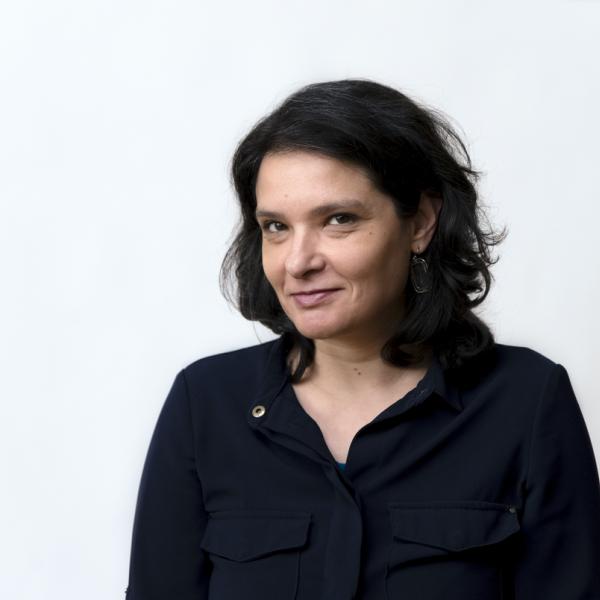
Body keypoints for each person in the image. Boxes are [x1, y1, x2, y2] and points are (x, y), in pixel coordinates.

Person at [124, 79, 600, 600]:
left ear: (420, 222)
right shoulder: (205, 403)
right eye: (276, 227)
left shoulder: (526, 400)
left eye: (338, 219)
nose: (298, 261)